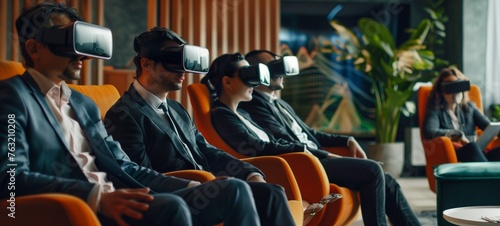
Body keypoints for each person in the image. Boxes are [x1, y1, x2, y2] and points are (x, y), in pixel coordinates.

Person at [0, 3, 264, 226]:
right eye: (65, 42)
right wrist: (96, 197)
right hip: (78, 207)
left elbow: (123, 165)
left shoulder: (83, 104)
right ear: (35, 49)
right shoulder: (12, 97)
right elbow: (10, 178)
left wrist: (189, 186)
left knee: (233, 190)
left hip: (121, 195)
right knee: (171, 208)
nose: (79, 55)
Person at [104, 27, 296, 226]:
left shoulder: (176, 109)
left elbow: (205, 149)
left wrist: (248, 172)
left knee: (272, 192)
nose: (183, 70)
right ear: (146, 64)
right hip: (177, 195)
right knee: (234, 189)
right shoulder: (124, 115)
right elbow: (138, 175)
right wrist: (201, 183)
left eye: (184, 62)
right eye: (174, 62)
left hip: (208, 186)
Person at [204, 52, 422, 226]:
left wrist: (345, 142)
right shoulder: (226, 113)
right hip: (298, 166)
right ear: (228, 82)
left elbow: (300, 135)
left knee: (386, 178)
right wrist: (323, 154)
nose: (255, 81)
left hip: (306, 160)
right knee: (373, 171)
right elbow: (263, 148)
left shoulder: (244, 112)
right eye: (248, 76)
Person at [423, 66, 500, 162]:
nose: (455, 92)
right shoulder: (435, 109)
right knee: (471, 147)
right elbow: (429, 130)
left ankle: (489, 174)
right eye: (450, 87)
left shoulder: (469, 107)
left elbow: (488, 126)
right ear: (441, 91)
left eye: (458, 85)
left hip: (477, 152)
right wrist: (454, 134)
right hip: (457, 152)